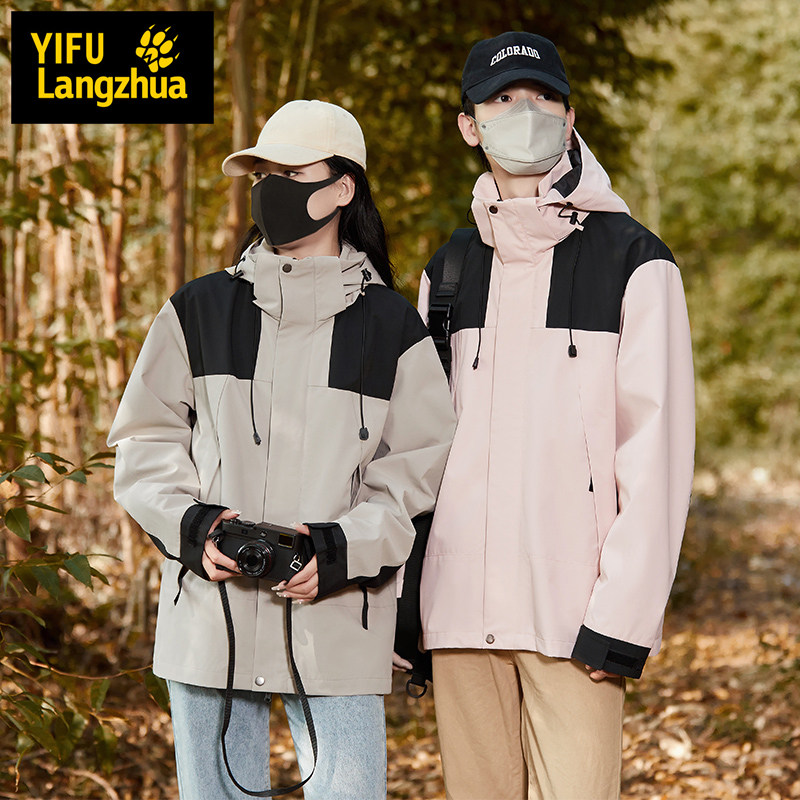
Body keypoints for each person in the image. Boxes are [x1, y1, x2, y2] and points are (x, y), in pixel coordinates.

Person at [108, 99, 456, 800]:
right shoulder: (197, 310)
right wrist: (193, 526)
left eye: (291, 174)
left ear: (342, 188)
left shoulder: (394, 329)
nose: (270, 189)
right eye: (262, 174)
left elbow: (414, 478)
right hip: (211, 618)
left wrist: (341, 549)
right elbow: (146, 443)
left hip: (336, 619)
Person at [417, 32, 695, 800]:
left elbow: (657, 457)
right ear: (470, 125)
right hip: (461, 616)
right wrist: (409, 603)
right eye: (503, 99)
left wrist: (622, 619)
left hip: (575, 620)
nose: (525, 112)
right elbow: (420, 452)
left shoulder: (635, 261)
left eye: (544, 97)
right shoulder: (448, 271)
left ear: (570, 119)